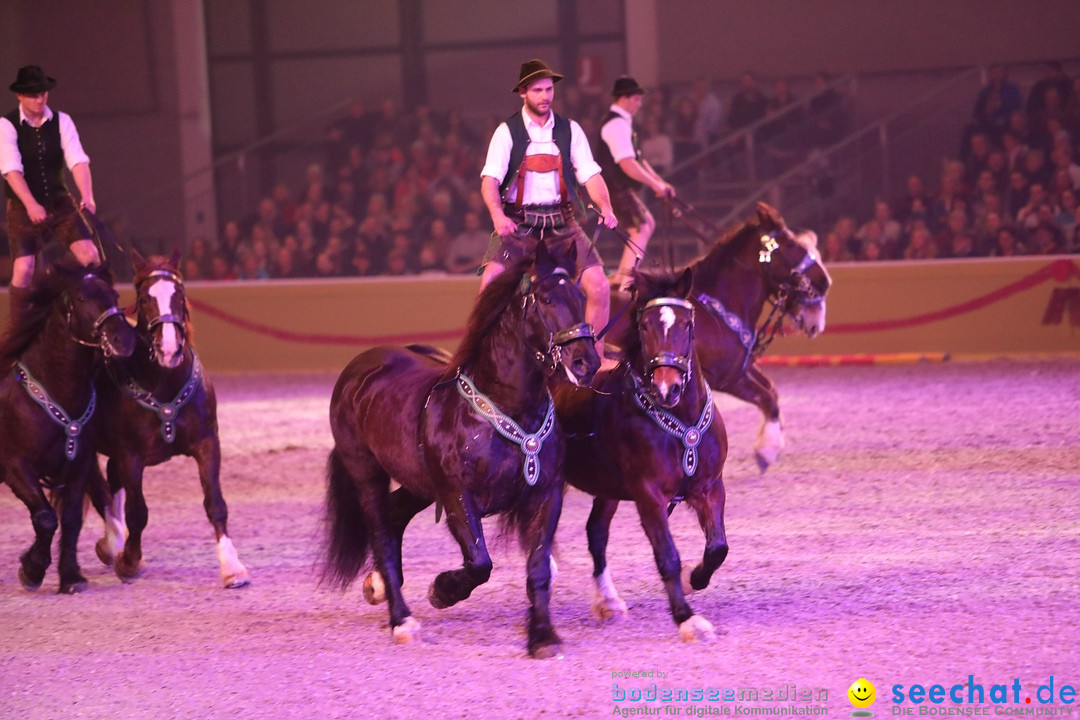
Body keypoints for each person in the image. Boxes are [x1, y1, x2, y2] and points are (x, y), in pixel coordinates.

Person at [479, 59, 618, 363]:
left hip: (561, 221)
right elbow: (490, 181)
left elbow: (590, 175)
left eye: (549, 89)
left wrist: (605, 206)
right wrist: (497, 216)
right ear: (523, 93)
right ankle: (488, 360)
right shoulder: (507, 132)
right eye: (538, 90)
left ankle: (593, 361)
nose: (545, 96)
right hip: (517, 223)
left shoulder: (570, 130)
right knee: (488, 288)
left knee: (600, 286)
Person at [1, 65, 100, 325]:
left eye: (43, 93)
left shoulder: (62, 121)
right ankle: (19, 326)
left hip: (59, 201)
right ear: (20, 96)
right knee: (23, 270)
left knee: (90, 256)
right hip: (23, 206)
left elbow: (77, 160)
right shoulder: (7, 125)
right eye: (33, 94)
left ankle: (93, 316)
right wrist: (31, 204)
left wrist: (87, 195)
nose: (39, 98)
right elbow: (11, 170)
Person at [594, 76, 675, 287]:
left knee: (644, 225)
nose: (639, 104)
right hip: (614, 186)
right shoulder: (616, 124)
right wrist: (656, 185)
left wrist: (660, 182)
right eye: (637, 99)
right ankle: (625, 283)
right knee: (642, 226)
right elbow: (627, 164)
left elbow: (639, 160)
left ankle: (623, 278)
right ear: (624, 99)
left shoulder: (623, 124)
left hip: (619, 186)